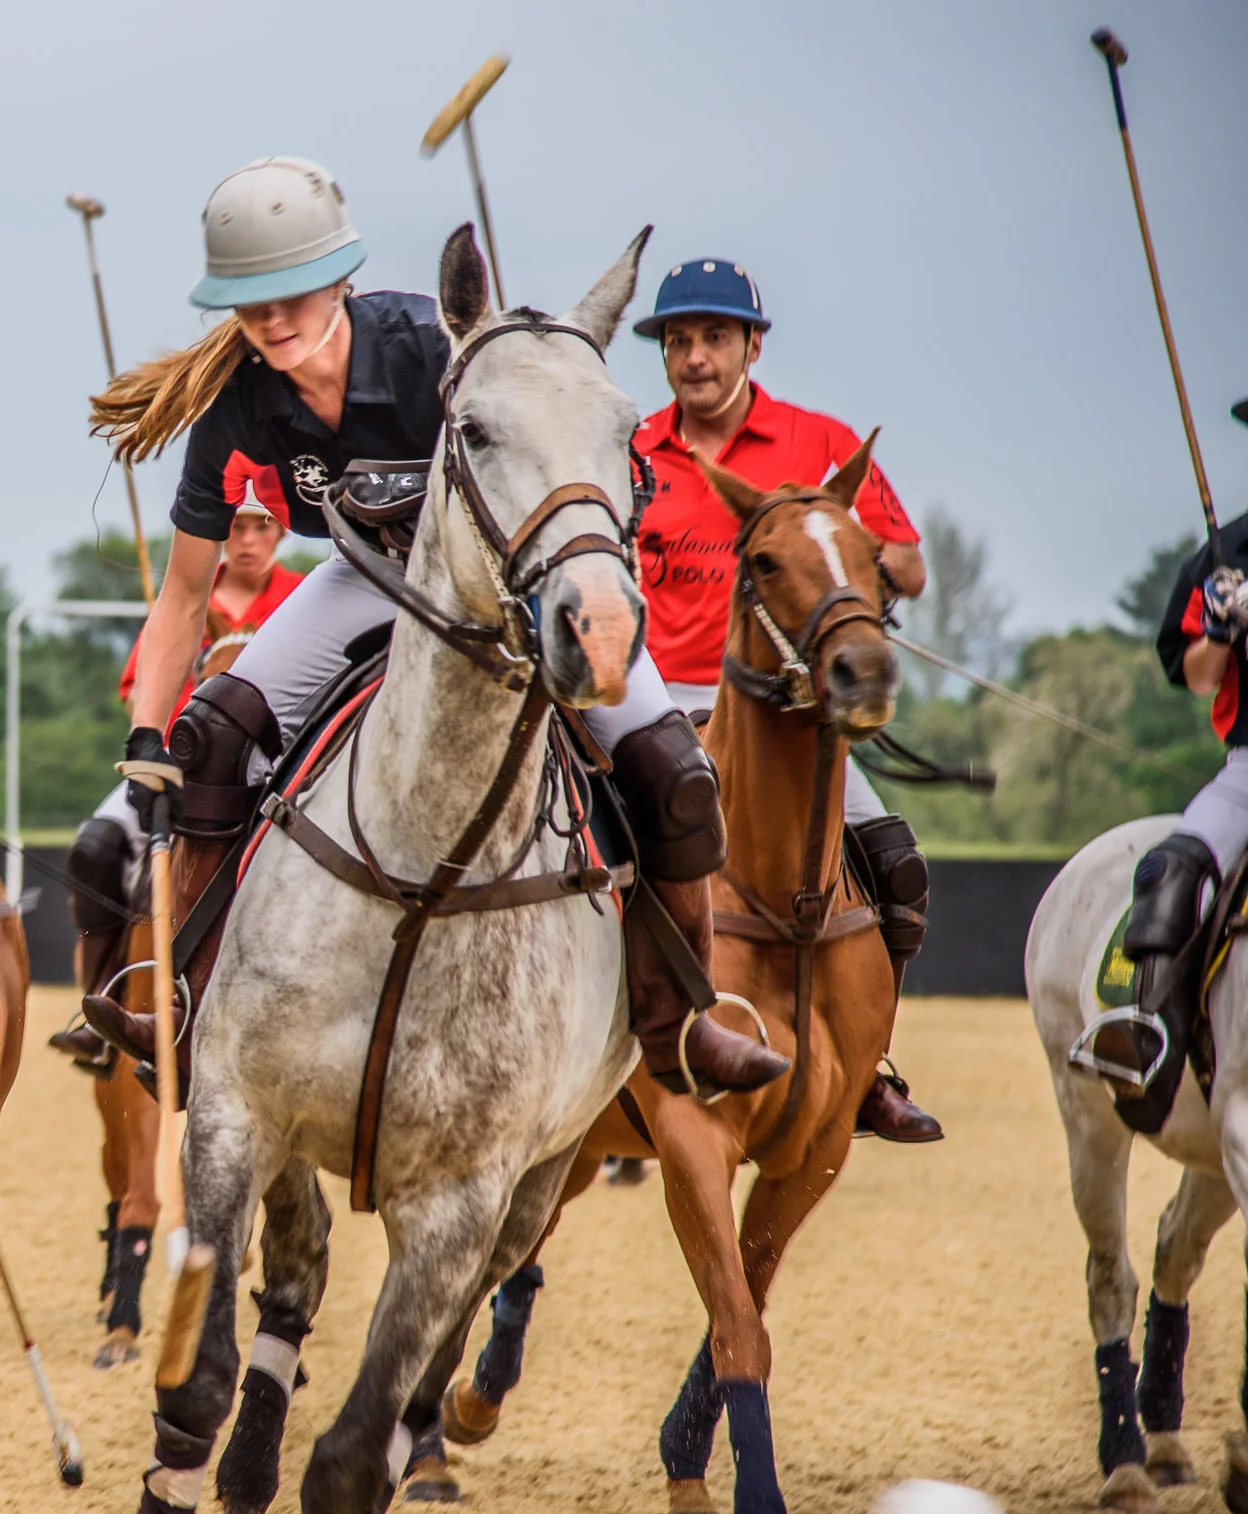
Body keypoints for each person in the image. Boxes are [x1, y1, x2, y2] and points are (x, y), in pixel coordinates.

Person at [77, 156, 789, 1103]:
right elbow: (182, 595)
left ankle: (682, 1018)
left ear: (340, 280)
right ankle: (191, 1000)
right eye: (251, 300)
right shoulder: (238, 399)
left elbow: (552, 430)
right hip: (367, 575)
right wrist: (147, 741)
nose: (274, 317)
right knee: (209, 741)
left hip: (501, 583)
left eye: (293, 291)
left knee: (674, 770)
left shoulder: (429, 348)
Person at [627, 258, 942, 1143]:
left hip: (783, 709)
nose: (695, 357)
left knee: (895, 860)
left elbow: (907, 564)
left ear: (753, 345)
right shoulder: (632, 453)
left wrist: (842, 577)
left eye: (714, 337)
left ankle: (867, 1063)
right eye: (678, 341)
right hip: (651, 699)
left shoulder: (821, 445)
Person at [49, 478, 304, 1071]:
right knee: (96, 847)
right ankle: (104, 989)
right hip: (182, 766)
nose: (246, 540)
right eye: (236, 526)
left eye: (260, 526)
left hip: (282, 771)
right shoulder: (186, 591)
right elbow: (139, 687)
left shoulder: (304, 597)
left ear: (280, 530)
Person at [1098, 398, 1248, 1131]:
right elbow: (1194, 676)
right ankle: (1150, 1038)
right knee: (1171, 867)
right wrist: (1220, 627)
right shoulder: (1227, 555)